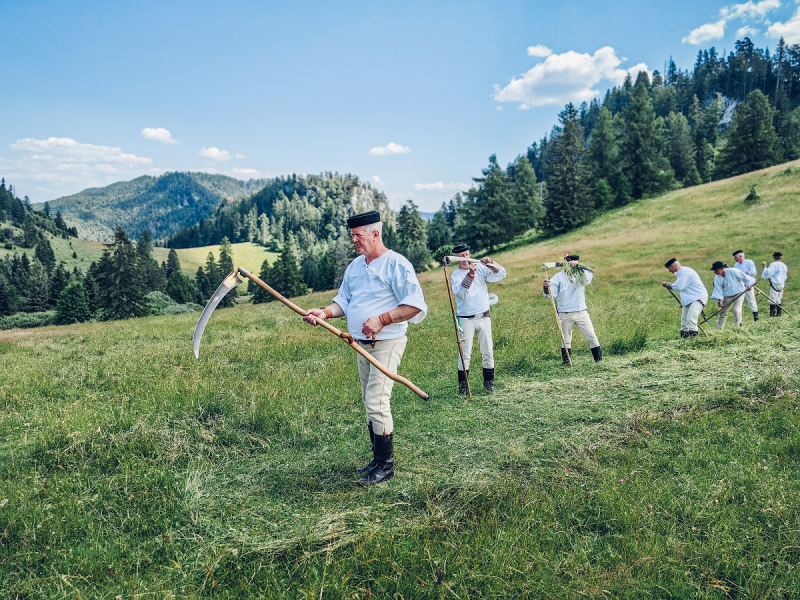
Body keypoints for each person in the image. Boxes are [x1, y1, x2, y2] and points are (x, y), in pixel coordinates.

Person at [303, 211, 427, 487]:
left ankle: (386, 466)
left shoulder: (396, 264)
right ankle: (376, 459)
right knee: (368, 400)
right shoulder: (356, 267)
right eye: (352, 236)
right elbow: (344, 301)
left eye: (358, 235)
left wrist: (383, 319)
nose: (354, 241)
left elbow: (415, 304)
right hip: (361, 344)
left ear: (375, 233)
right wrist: (324, 313)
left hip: (388, 342)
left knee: (376, 400)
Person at [450, 243, 507, 394]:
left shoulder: (480, 267)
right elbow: (461, 294)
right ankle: (463, 387)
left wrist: (491, 264)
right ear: (456, 259)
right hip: (466, 319)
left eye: (467, 255)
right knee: (465, 353)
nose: (465, 258)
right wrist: (471, 274)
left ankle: (489, 383)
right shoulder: (455, 275)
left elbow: (500, 275)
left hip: (484, 316)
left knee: (488, 350)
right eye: (461, 256)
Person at [543, 254, 602, 365]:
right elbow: (551, 294)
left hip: (581, 312)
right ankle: (566, 363)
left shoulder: (582, 274)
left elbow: (586, 281)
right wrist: (546, 287)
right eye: (569, 263)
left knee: (592, 336)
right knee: (566, 340)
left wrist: (578, 268)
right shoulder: (558, 277)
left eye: (575, 262)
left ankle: (598, 361)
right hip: (564, 314)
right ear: (565, 263)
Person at [662, 258, 708, 338]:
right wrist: (683, 302)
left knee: (691, 318)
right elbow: (685, 289)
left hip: (698, 298)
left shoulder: (686, 272)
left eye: (669, 268)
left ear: (673, 266)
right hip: (689, 299)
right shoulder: (681, 273)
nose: (669, 271)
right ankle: (684, 340)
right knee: (684, 320)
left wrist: (667, 285)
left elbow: (679, 286)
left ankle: (694, 341)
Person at [710, 260, 756, 330]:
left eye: (716, 270)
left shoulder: (733, 271)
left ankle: (737, 328)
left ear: (721, 269)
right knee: (722, 313)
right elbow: (718, 289)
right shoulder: (717, 278)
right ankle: (718, 330)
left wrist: (749, 285)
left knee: (737, 310)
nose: (715, 272)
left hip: (739, 294)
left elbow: (745, 278)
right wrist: (720, 300)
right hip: (727, 295)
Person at [732, 250, 759, 321]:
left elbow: (753, 273)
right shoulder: (736, 265)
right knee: (738, 302)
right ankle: (739, 319)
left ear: (740, 256)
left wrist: (744, 273)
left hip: (749, 285)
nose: (734, 259)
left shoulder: (749, 262)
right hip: (740, 286)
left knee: (751, 300)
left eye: (735, 257)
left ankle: (756, 316)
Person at [761, 252, 788, 316]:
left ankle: (772, 314)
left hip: (775, 283)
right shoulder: (783, 265)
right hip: (782, 283)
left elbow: (769, 273)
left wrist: (764, 267)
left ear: (774, 257)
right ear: (781, 258)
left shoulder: (773, 264)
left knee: (772, 299)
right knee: (778, 299)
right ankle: (778, 314)